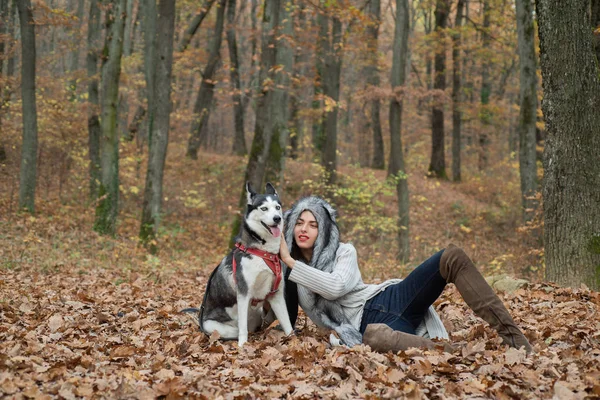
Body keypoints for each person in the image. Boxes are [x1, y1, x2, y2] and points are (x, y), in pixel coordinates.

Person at [278, 196, 532, 353]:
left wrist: (290, 261)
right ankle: (455, 352)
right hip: (368, 328)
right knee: (375, 337)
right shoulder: (291, 275)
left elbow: (336, 287)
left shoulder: (344, 252)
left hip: (391, 298)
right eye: (299, 223)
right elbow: (270, 307)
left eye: (313, 224)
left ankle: (515, 339)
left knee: (451, 256)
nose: (304, 229)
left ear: (324, 230)